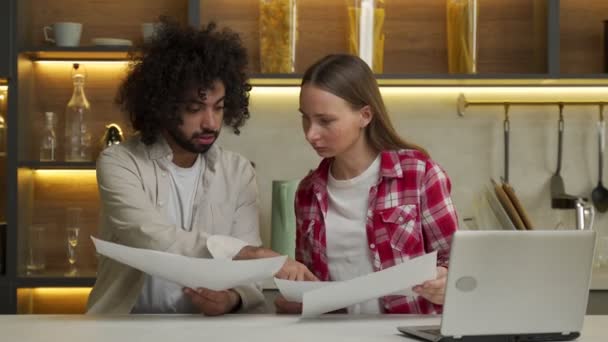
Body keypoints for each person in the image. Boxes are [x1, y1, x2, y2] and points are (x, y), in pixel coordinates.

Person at [87, 19, 314, 315]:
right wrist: (250, 254)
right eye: (194, 108)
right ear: (162, 105)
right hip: (123, 326)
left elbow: (249, 281)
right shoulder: (119, 162)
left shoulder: (238, 171)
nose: (210, 122)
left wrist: (231, 298)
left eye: (218, 107)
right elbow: (150, 237)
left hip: (205, 330)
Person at [275, 54, 458, 315]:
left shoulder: (419, 175)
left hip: (408, 335)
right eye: (306, 118)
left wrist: (445, 282)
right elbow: (311, 285)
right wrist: (296, 301)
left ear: (365, 115)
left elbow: (459, 269)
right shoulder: (307, 192)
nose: (310, 133)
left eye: (325, 121)